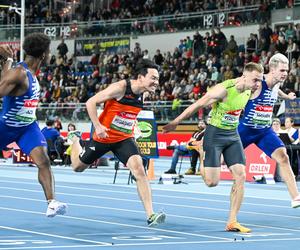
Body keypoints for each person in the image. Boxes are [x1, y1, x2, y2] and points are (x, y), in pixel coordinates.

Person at [163, 62, 264, 233]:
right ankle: (201, 150)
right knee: (212, 182)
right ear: (244, 76)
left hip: (232, 135)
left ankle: (232, 221)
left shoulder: (251, 88)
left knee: (240, 175)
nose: (257, 85)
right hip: (214, 134)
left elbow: (273, 80)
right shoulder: (223, 90)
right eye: (255, 80)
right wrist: (176, 122)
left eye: (259, 81)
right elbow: (198, 104)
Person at [68, 59, 166, 227]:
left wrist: (132, 127)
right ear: (140, 77)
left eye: (157, 78)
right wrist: (97, 126)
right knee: (77, 167)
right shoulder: (120, 88)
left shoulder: (145, 93)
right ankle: (76, 140)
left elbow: (128, 114)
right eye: (153, 78)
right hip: (103, 137)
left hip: (123, 139)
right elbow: (90, 102)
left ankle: (151, 215)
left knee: (139, 170)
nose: (157, 82)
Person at [0, 33, 67, 217]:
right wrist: (7, 60)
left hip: (28, 127)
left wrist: (7, 60)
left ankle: (52, 202)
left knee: (44, 161)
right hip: (5, 126)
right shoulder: (20, 73)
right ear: (44, 54)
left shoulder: (30, 72)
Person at [238, 53, 300, 208]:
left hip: (265, 131)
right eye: (282, 70)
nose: (285, 74)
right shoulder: (257, 83)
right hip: (246, 130)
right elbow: (237, 87)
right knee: (221, 162)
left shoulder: (277, 82)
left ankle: (296, 197)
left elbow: (277, 91)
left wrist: (287, 97)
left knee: (283, 157)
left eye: (287, 70)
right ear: (272, 69)